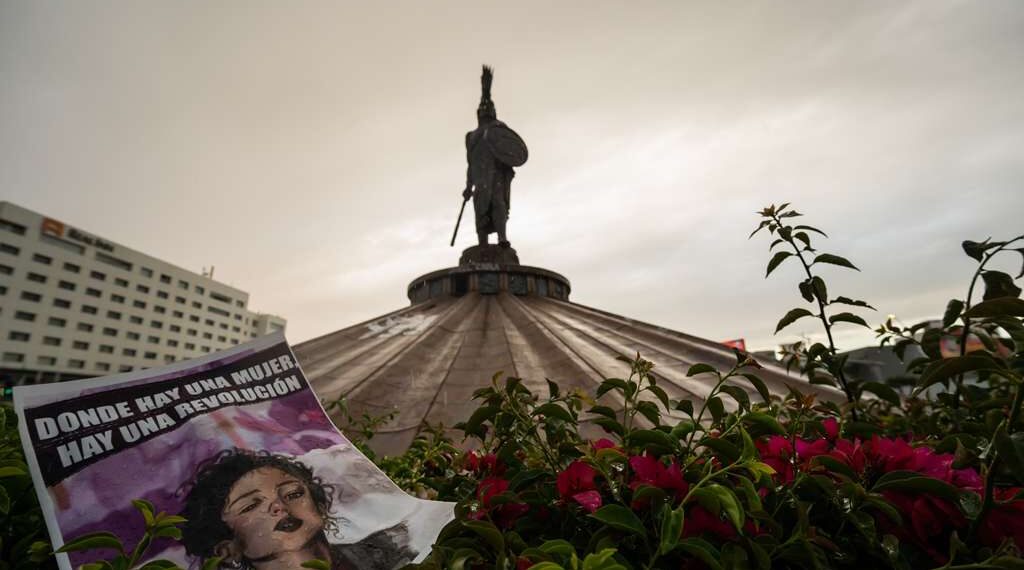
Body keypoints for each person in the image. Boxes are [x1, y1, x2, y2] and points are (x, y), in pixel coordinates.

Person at [180, 449, 415, 570]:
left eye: (293, 494)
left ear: (319, 506)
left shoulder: (394, 550)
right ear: (226, 550)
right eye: (250, 505)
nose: (279, 506)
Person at [462, 65, 528, 248]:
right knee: (481, 210)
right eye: (483, 109)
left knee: (499, 205)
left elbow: (509, 149)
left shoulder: (498, 129)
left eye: (488, 109)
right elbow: (471, 164)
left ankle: (502, 238)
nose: (485, 112)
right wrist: (468, 186)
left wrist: (486, 92)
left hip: (497, 175)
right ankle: (482, 243)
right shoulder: (471, 136)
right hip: (481, 178)